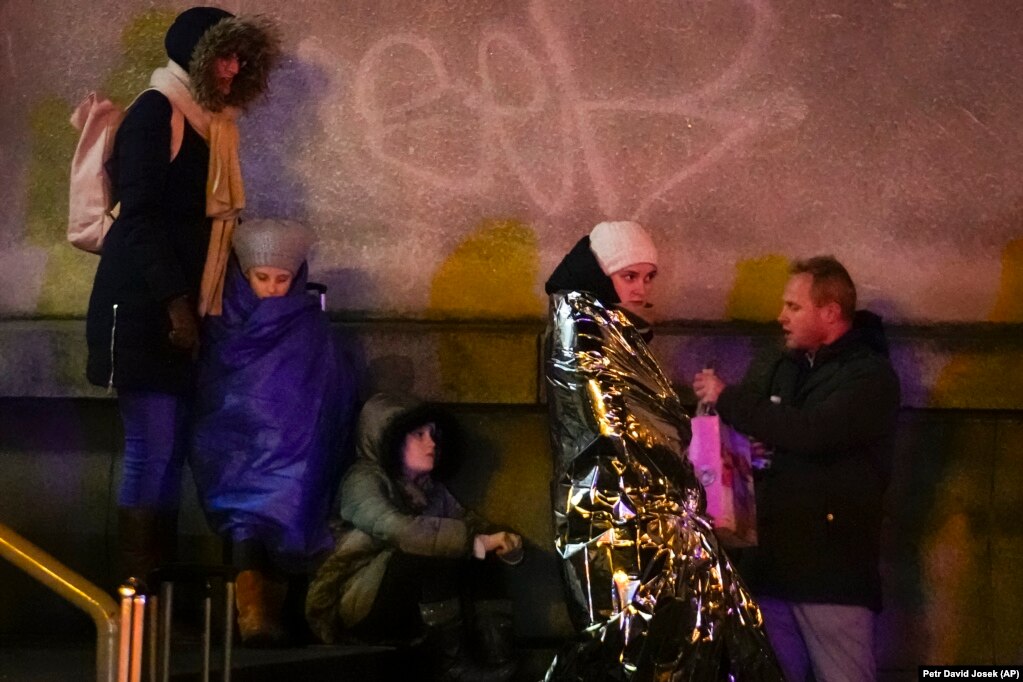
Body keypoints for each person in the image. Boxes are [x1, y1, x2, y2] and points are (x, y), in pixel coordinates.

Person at [84, 7, 280, 583]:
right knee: (151, 445)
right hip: (143, 306)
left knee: (168, 450)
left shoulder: (212, 125)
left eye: (241, 57)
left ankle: (156, 596)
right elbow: (139, 220)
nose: (233, 66)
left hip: (180, 310)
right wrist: (176, 304)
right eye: (223, 55)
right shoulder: (156, 113)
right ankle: (136, 596)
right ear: (195, 57)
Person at [543, 221, 782, 680]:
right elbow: (615, 428)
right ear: (600, 274)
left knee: (682, 644)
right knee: (639, 649)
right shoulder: (585, 330)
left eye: (648, 277)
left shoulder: (615, 333)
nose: (642, 288)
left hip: (648, 519)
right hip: (622, 522)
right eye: (629, 276)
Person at [692, 255, 901, 682]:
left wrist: (729, 398)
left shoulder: (869, 377)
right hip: (772, 568)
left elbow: (813, 431)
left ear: (829, 313)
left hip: (831, 576)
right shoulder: (782, 367)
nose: (781, 317)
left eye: (794, 307)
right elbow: (775, 431)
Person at [190, 219, 357, 646]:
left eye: (283, 279)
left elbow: (329, 390)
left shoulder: (310, 326)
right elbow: (215, 387)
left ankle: (274, 611)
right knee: (246, 513)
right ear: (244, 276)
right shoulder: (223, 322)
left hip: (295, 450)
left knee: (285, 506)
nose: (273, 288)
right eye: (262, 278)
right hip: (237, 445)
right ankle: (254, 612)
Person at [306, 393, 523, 681]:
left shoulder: (430, 488)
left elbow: (469, 526)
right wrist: (475, 542)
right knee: (433, 556)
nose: (431, 443)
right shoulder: (362, 481)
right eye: (419, 434)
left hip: (406, 601)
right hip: (357, 603)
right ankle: (450, 666)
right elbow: (397, 529)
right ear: (390, 439)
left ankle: (497, 656)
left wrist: (503, 542)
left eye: (434, 434)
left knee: (480, 555)